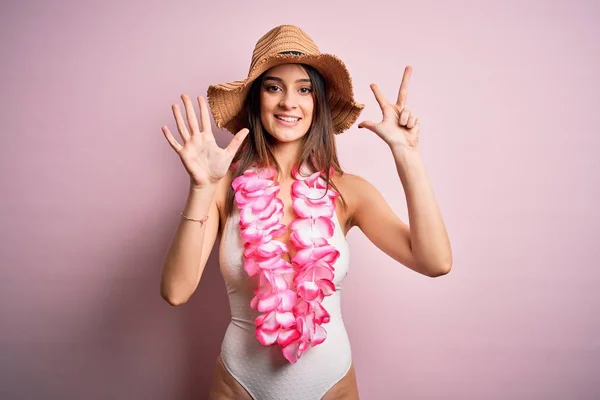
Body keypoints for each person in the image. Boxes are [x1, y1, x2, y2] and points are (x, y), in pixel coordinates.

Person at [160, 25, 452, 400]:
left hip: (332, 388)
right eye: (273, 87)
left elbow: (435, 262)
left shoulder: (347, 191)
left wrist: (407, 155)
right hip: (238, 387)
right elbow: (176, 291)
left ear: (318, 105)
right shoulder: (220, 189)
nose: (288, 102)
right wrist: (200, 189)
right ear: (255, 100)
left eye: (304, 89)